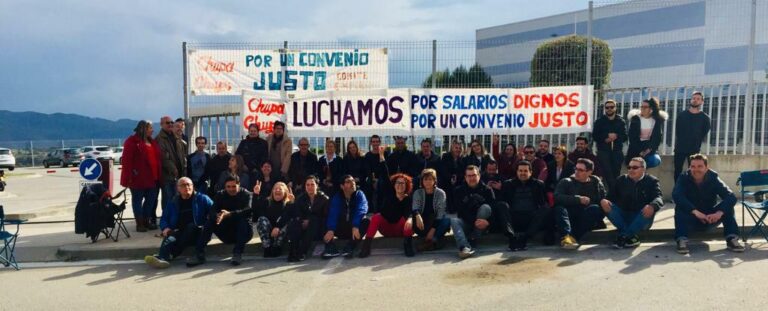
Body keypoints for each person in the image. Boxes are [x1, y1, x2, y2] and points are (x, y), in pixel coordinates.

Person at [672, 154, 744, 254]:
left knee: (727, 207)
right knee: (680, 207)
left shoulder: (713, 178)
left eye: (700, 166)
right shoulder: (683, 177)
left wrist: (719, 213)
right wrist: (695, 212)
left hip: (710, 217)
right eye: (693, 166)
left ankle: (732, 239)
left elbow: (731, 196)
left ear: (706, 168)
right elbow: (676, 196)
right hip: (691, 217)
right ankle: (681, 240)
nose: (696, 169)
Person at [144, 177, 213, 269]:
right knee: (171, 236)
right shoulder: (173, 201)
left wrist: (209, 221)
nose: (187, 187)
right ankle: (163, 258)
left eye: (189, 185)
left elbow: (214, 211)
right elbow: (164, 218)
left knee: (191, 227)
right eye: (183, 185)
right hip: (179, 232)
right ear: (178, 188)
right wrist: (165, 228)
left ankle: (169, 255)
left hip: (198, 233)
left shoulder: (202, 198)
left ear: (193, 186)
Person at [189, 174, 254, 267]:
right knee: (210, 221)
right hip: (227, 233)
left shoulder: (246, 194)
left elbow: (248, 210)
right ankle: (199, 254)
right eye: (228, 187)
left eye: (234, 186)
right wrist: (217, 216)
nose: (231, 189)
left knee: (243, 220)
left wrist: (230, 214)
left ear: (239, 185)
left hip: (244, 234)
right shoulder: (220, 194)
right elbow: (212, 210)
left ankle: (237, 254)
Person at [449, 165, 512, 259]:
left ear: (479, 175)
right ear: (465, 177)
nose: (472, 178)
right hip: (467, 222)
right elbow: (460, 211)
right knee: (453, 220)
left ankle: (474, 237)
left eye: (474, 175)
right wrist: (474, 222)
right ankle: (464, 247)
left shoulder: (487, 190)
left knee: (485, 207)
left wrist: (488, 223)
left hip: (483, 226)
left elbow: (494, 210)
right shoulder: (458, 191)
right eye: (469, 176)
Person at [600, 157, 662, 249]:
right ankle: (630, 237)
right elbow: (610, 197)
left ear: (643, 169)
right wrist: (604, 201)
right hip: (623, 216)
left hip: (641, 217)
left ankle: (623, 236)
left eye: (635, 168)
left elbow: (659, 198)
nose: (631, 170)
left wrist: (652, 205)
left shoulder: (652, 181)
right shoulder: (621, 180)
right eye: (629, 167)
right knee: (605, 204)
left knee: (648, 208)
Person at [554, 158, 607, 250]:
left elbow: (603, 198)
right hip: (569, 214)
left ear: (589, 172)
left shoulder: (596, 182)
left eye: (581, 170)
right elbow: (557, 197)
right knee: (559, 209)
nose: (577, 172)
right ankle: (567, 236)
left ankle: (572, 238)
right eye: (576, 169)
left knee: (595, 208)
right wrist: (577, 199)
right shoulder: (566, 181)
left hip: (585, 216)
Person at [359, 173, 415, 258]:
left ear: (406, 185)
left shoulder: (408, 199)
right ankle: (366, 246)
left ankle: (408, 246)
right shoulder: (389, 195)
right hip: (387, 229)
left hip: (400, 230)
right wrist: (382, 161)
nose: (400, 185)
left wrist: (410, 219)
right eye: (398, 183)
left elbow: (409, 212)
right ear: (394, 185)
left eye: (402, 183)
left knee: (408, 220)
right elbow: (385, 177)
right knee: (376, 217)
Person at [500, 161, 552, 251]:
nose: (522, 173)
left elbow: (544, 203)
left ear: (530, 172)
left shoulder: (539, 184)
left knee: (546, 209)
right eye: (520, 171)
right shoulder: (508, 184)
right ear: (517, 172)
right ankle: (511, 237)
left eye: (525, 171)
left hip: (531, 219)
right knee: (501, 205)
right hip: (513, 218)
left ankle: (525, 237)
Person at [120, 120, 161, 232]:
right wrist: (130, 176)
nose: (152, 130)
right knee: (137, 200)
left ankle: (146, 220)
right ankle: (140, 223)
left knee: (151, 200)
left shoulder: (152, 142)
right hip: (138, 178)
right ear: (143, 128)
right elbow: (127, 161)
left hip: (153, 178)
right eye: (150, 128)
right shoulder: (132, 141)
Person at [321, 175, 370, 259]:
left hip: (354, 230)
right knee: (322, 220)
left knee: (366, 221)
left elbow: (362, 209)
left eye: (353, 181)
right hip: (341, 228)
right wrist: (331, 229)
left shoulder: (359, 194)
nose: (352, 183)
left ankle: (350, 247)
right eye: (348, 182)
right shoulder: (338, 197)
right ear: (342, 186)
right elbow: (333, 213)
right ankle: (331, 248)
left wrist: (355, 225)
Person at [156, 116, 187, 228]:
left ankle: (177, 220)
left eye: (171, 122)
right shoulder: (159, 139)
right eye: (167, 123)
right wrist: (174, 170)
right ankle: (166, 223)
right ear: (161, 124)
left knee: (178, 199)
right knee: (168, 200)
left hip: (180, 174)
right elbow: (164, 158)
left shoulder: (176, 137)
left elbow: (183, 155)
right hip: (168, 176)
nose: (170, 124)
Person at [674, 91, 711, 182]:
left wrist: (696, 141)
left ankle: (691, 193)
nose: (695, 100)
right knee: (677, 171)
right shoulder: (682, 115)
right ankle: (678, 193)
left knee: (694, 172)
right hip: (680, 148)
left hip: (694, 149)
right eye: (694, 98)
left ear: (702, 102)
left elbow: (704, 132)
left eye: (698, 99)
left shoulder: (705, 118)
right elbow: (678, 131)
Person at [410, 168, 451, 252]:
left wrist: (432, 230)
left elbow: (440, 212)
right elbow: (415, 207)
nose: (427, 182)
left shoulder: (441, 193)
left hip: (435, 222)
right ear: (422, 181)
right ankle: (434, 243)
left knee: (447, 221)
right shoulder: (417, 192)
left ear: (434, 180)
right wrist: (418, 216)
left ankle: (430, 242)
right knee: (414, 218)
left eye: (430, 179)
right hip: (422, 223)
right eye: (425, 179)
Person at [253, 181, 294, 258]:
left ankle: (277, 247)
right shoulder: (267, 202)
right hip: (270, 232)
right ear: (272, 191)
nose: (277, 190)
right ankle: (267, 247)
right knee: (261, 219)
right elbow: (256, 213)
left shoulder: (288, 204)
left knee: (290, 222)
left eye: (280, 189)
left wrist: (292, 203)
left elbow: (288, 216)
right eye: (275, 189)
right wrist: (255, 194)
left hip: (281, 233)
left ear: (285, 192)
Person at [593, 100, 628, 191]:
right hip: (603, 151)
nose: (609, 109)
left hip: (617, 151)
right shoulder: (599, 121)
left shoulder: (621, 121)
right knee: (607, 173)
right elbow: (595, 136)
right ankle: (614, 193)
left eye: (611, 107)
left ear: (615, 108)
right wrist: (606, 137)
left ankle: (614, 194)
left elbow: (625, 136)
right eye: (607, 107)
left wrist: (616, 136)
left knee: (616, 173)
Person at [293, 175, 330, 259]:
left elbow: (326, 216)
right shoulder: (300, 199)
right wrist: (302, 221)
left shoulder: (324, 199)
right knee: (294, 223)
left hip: (319, 229)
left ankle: (302, 252)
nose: (310, 187)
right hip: (305, 228)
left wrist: (310, 221)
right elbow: (297, 214)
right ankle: (293, 251)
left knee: (314, 220)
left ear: (317, 185)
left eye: (312, 184)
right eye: (307, 185)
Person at [626, 97, 668, 165]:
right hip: (636, 148)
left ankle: (642, 170)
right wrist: (640, 151)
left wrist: (649, 149)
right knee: (634, 163)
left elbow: (657, 138)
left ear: (651, 109)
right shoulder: (635, 119)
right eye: (641, 106)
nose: (642, 108)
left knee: (655, 160)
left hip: (649, 148)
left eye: (645, 107)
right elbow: (632, 138)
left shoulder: (656, 120)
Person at [364, 135, 388, 213]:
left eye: (377, 141)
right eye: (373, 142)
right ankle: (370, 210)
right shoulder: (368, 155)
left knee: (382, 184)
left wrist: (378, 180)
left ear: (379, 142)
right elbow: (368, 170)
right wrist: (373, 180)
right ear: (371, 143)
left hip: (383, 178)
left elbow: (385, 168)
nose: (375, 143)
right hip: (372, 178)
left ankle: (382, 209)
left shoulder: (385, 154)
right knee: (368, 185)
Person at [439, 140, 465, 210]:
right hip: (447, 179)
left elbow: (463, 171)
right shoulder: (446, 156)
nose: (458, 150)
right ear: (452, 148)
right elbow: (443, 170)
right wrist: (451, 178)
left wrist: (457, 177)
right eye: (456, 148)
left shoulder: (463, 158)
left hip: (458, 179)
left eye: (460, 148)